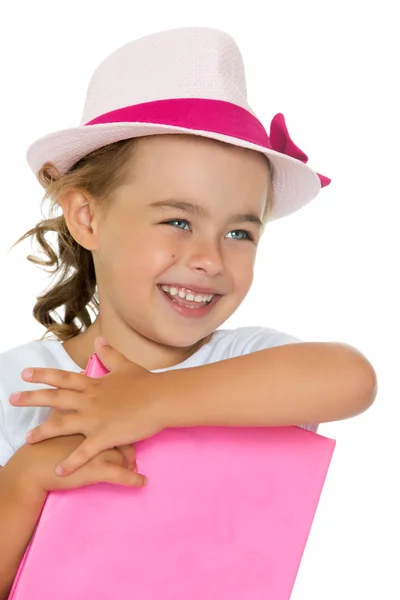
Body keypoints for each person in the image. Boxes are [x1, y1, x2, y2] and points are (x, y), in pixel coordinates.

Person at [0, 27, 377, 597]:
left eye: (239, 231)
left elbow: (353, 378)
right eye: (178, 221)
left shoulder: (245, 363)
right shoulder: (20, 390)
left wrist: (151, 400)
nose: (209, 259)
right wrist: (24, 482)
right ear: (87, 218)